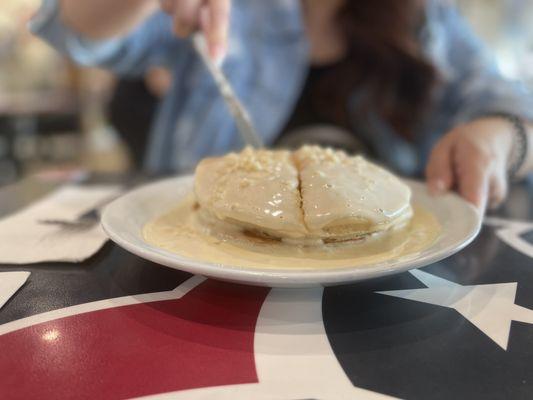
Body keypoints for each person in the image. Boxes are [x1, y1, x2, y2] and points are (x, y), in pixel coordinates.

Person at [30, 0, 533, 213]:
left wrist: (499, 134)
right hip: (210, 279)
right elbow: (74, 30)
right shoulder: (231, 11)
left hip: (383, 288)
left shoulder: (426, 18)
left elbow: (509, 105)